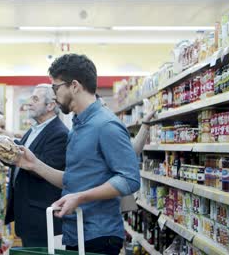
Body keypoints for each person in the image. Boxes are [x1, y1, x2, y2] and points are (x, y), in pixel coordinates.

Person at [14, 54, 140, 255]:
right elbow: (73, 181)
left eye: (56, 88)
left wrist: (80, 198)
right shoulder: (77, 126)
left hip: (99, 236)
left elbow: (130, 179)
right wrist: (34, 164)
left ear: (74, 86)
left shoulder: (106, 125)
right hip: (76, 232)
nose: (54, 95)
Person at [0, 84, 69, 247]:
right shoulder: (34, 130)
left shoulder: (59, 133)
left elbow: (45, 169)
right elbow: (20, 162)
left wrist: (18, 156)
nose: (29, 102)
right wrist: (3, 151)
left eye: (35, 99)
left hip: (41, 219)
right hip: (27, 215)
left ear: (50, 105)